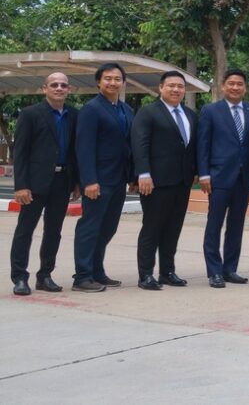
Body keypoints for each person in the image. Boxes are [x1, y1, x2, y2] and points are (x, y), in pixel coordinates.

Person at [10, 73, 79, 296]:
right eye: (54, 85)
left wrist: (76, 182)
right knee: (25, 230)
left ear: (69, 89)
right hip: (34, 183)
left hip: (62, 181)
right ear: (44, 89)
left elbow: (75, 152)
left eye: (63, 85)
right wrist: (21, 185)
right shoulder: (30, 114)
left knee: (53, 231)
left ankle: (45, 275)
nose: (59, 88)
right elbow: (20, 152)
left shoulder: (74, 115)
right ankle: (20, 277)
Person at [131, 71, 198, 290]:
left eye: (180, 86)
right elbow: (140, 144)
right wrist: (143, 173)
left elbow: (193, 147)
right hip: (156, 182)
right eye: (171, 85)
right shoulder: (148, 112)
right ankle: (145, 274)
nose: (176, 89)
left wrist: (197, 171)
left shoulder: (190, 114)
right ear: (161, 88)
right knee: (152, 227)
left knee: (173, 228)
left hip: (182, 181)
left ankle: (167, 272)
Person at [73, 62, 136, 293]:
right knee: (90, 227)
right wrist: (89, 180)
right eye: (108, 78)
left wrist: (132, 176)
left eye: (117, 79)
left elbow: (129, 146)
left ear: (123, 83)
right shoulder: (91, 109)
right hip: (98, 180)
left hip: (118, 179)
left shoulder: (126, 110)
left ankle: (97, 271)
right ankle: (82, 276)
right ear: (99, 82)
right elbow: (84, 147)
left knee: (108, 228)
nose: (112, 83)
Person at [197, 68, 249, 288]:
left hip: (244, 177)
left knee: (236, 225)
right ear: (223, 86)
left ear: (245, 88)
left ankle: (230, 269)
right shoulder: (211, 111)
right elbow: (203, 144)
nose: (235, 87)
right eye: (231, 83)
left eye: (240, 84)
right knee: (214, 225)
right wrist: (204, 173)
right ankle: (214, 271)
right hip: (218, 177)